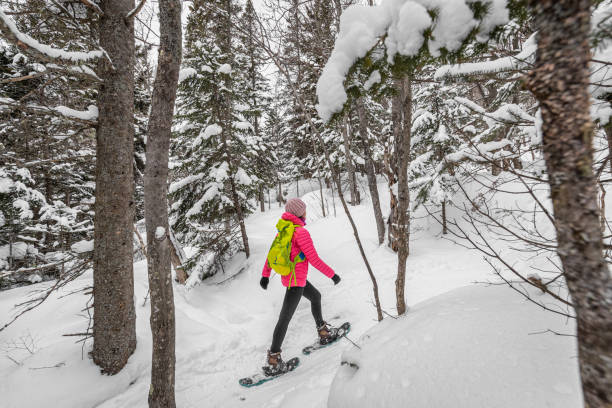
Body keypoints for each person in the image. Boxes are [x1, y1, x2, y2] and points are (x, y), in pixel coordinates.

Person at [260, 197, 342, 374]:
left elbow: (271, 255)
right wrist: (333, 275)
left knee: (316, 297)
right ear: (299, 213)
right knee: (285, 318)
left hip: (293, 278)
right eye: (304, 210)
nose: (306, 212)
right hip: (296, 281)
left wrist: (265, 276)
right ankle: (274, 360)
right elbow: (314, 259)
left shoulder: (283, 230)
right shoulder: (300, 233)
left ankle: (323, 332)